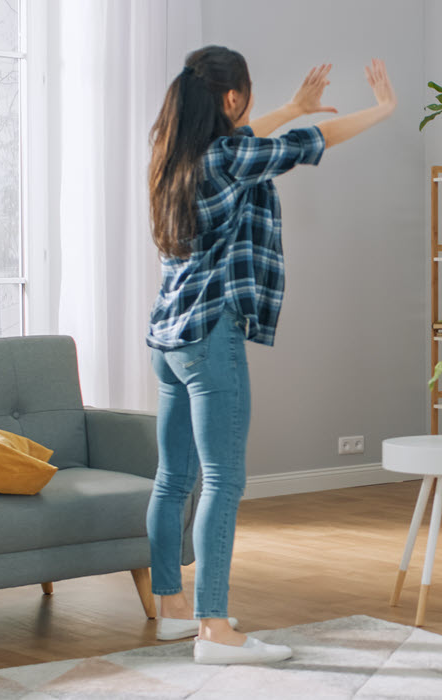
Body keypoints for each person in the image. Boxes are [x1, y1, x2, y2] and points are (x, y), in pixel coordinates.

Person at [145, 45, 395, 664]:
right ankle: (214, 630)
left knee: (174, 478)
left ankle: (171, 609)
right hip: (211, 336)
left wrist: (287, 105)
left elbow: (254, 135)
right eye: (249, 97)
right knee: (224, 480)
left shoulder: (176, 156)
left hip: (169, 337)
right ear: (232, 99)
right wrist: (382, 108)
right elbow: (314, 142)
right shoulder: (230, 157)